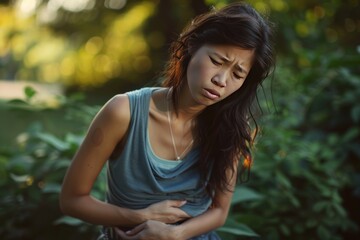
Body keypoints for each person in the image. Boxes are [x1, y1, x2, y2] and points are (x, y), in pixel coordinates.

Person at [59, 1, 275, 240]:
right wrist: (138, 216)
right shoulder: (124, 112)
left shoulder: (230, 129)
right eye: (217, 61)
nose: (221, 80)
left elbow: (219, 211)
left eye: (237, 74)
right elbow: (72, 200)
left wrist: (176, 233)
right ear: (193, 47)